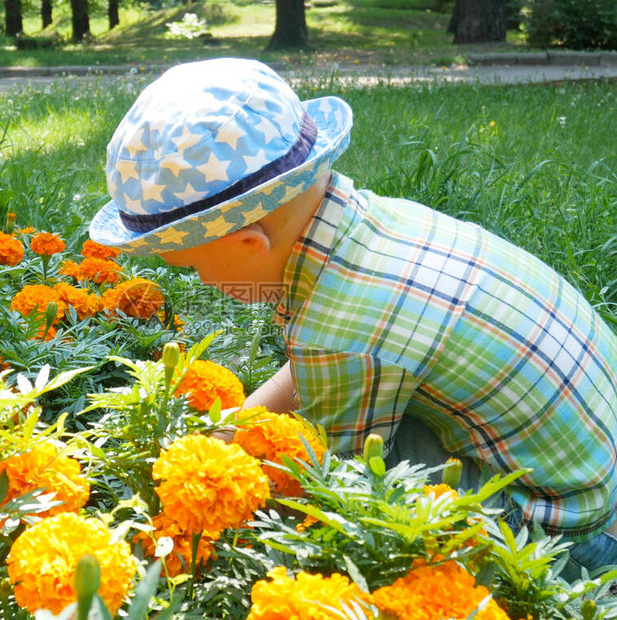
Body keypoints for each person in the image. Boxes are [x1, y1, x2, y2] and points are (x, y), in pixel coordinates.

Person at [89, 57, 617, 580]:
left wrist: (212, 518)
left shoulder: (340, 331)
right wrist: (226, 434)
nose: (199, 283)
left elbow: (332, 490)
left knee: (361, 507)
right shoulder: (370, 225)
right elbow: (309, 366)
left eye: (192, 266)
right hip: (596, 458)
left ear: (250, 244)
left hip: (564, 533)